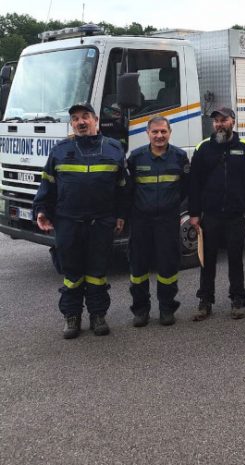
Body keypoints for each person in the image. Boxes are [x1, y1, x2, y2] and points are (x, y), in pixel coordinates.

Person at [33, 102, 128, 339]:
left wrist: (121, 216)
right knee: (72, 273)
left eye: (85, 116)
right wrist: (41, 210)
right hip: (68, 222)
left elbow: (123, 190)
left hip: (101, 223)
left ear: (96, 120)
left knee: (97, 272)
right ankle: (72, 317)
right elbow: (47, 186)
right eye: (75, 118)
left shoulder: (114, 149)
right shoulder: (60, 151)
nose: (80, 122)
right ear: (72, 124)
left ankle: (98, 315)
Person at [189, 107, 245, 321]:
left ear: (233, 122)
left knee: (235, 259)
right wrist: (194, 213)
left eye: (224, 120)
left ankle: (237, 300)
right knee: (207, 260)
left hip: (235, 216)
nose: (220, 124)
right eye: (216, 121)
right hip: (210, 215)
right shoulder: (203, 148)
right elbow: (194, 184)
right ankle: (205, 301)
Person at [126, 116, 190, 327]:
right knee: (138, 267)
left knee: (168, 266)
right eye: (155, 132)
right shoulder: (136, 158)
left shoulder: (180, 158)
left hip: (167, 220)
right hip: (141, 220)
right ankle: (141, 310)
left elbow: (186, 189)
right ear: (148, 133)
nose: (159, 136)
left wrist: (169, 205)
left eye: (163, 131)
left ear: (170, 132)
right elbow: (128, 190)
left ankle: (166, 309)